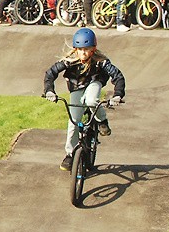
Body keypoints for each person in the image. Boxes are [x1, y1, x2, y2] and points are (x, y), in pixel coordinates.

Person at [43, 27, 125, 171]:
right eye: (80, 49)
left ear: (93, 49)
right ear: (75, 49)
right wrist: (49, 91)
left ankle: (102, 121)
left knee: (91, 100)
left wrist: (117, 95)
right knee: (73, 121)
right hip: (76, 87)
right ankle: (70, 154)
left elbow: (118, 77)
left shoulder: (101, 62)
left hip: (94, 82)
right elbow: (50, 74)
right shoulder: (69, 61)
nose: (83, 53)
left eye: (87, 49)